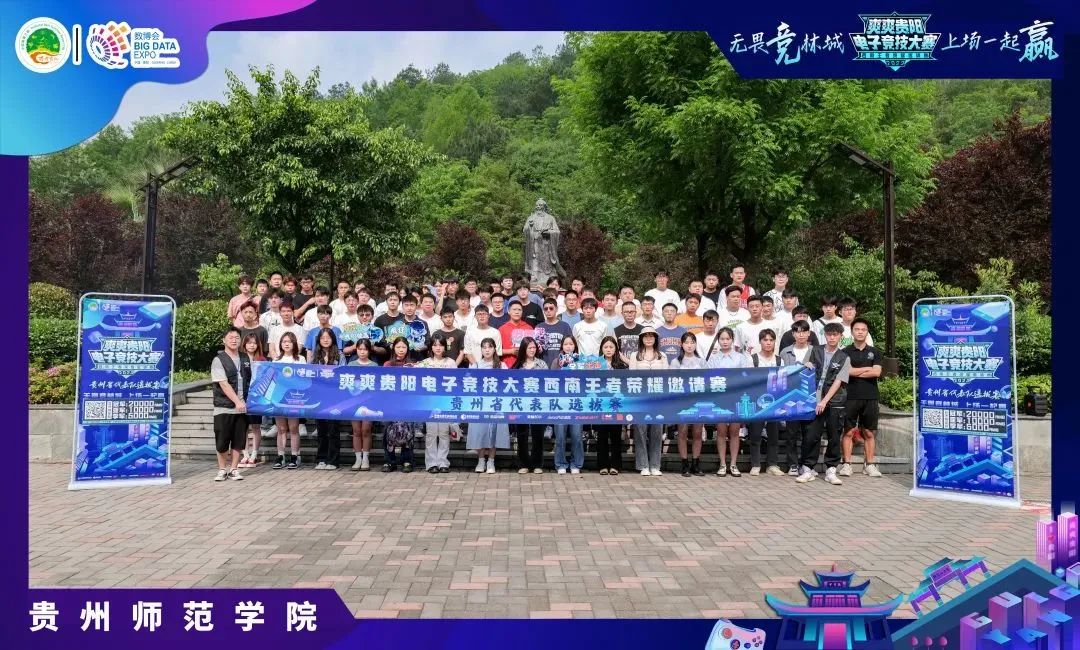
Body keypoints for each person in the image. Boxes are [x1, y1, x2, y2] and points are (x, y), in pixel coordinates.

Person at [796, 322, 850, 486]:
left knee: (834, 435)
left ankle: (831, 469)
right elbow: (805, 369)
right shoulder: (815, 350)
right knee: (811, 435)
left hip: (835, 401)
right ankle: (807, 468)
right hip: (814, 399)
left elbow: (839, 381)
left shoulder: (844, 357)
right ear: (824, 335)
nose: (832, 337)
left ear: (840, 336)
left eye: (835, 334)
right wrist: (806, 365)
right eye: (829, 334)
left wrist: (825, 401)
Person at [840, 318, 883, 478]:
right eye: (857, 329)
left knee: (869, 432)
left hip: (870, 396)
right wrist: (866, 369)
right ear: (852, 332)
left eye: (863, 329)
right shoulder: (844, 352)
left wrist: (855, 371)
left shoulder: (875, 352)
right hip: (850, 396)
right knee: (849, 431)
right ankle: (846, 464)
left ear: (867, 332)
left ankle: (869, 464)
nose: (860, 332)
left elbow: (876, 372)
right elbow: (847, 372)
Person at [706, 327, 749, 477]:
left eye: (727, 339)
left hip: (736, 397)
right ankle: (723, 464)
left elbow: (746, 377)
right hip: (720, 399)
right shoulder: (713, 359)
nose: (725, 342)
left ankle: (734, 464)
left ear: (732, 340)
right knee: (721, 431)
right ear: (718, 340)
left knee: (735, 432)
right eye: (722, 339)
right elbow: (709, 379)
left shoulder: (740, 358)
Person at [210, 327, 250, 482]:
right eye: (231, 337)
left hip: (242, 407)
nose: (234, 340)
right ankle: (222, 469)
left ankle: (234, 469)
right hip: (224, 407)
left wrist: (246, 402)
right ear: (224, 340)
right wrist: (237, 401)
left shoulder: (245, 358)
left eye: (237, 338)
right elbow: (223, 384)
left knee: (238, 440)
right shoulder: (218, 360)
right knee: (222, 441)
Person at [467, 338, 510, 474]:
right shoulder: (476, 366)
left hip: (496, 404)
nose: (487, 350)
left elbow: (507, 384)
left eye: (490, 347)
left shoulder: (502, 366)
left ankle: (491, 460)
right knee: (479, 431)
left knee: (494, 432)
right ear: (480, 349)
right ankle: (481, 460)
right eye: (484, 347)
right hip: (480, 404)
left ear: (494, 349)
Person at [630, 327, 668, 475]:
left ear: (656, 339)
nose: (649, 338)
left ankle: (655, 465)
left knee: (657, 431)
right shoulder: (635, 355)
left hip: (658, 398)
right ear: (641, 339)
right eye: (645, 336)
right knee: (640, 431)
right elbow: (631, 378)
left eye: (651, 336)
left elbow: (666, 377)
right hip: (641, 398)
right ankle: (643, 465)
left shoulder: (662, 356)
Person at [417, 337, 457, 473]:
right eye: (435, 345)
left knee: (444, 433)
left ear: (445, 347)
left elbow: (456, 382)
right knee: (431, 433)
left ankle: (443, 463)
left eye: (441, 345)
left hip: (445, 401)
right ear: (431, 347)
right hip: (430, 402)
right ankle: (431, 463)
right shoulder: (425, 363)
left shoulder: (451, 363)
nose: (438, 348)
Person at [780, 319, 815, 476]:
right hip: (791, 398)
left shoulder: (816, 351)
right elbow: (781, 373)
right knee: (791, 434)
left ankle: (807, 464)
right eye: (797, 332)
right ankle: (793, 464)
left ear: (809, 333)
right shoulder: (785, 352)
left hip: (810, 397)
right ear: (793, 334)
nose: (801, 335)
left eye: (804, 332)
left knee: (809, 434)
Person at [748, 329, 785, 476]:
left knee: (773, 434)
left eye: (771, 340)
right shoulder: (753, 359)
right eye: (765, 340)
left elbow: (782, 380)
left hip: (774, 401)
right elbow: (749, 380)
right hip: (757, 401)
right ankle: (755, 464)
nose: (768, 343)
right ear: (760, 342)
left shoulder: (779, 360)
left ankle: (772, 464)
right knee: (755, 434)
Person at [382, 337, 420, 473]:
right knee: (388, 432)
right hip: (390, 403)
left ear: (408, 349)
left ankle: (407, 461)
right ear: (393, 348)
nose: (401, 350)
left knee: (408, 431)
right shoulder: (387, 364)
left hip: (408, 403)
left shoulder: (413, 365)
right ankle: (389, 461)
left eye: (404, 347)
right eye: (398, 347)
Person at [670, 332, 706, 477]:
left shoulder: (701, 362)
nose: (689, 345)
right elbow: (671, 382)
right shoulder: (676, 362)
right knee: (682, 432)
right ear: (681, 344)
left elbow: (707, 381)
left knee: (697, 432)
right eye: (686, 342)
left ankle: (696, 463)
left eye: (692, 342)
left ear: (696, 344)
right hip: (682, 401)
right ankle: (684, 463)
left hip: (698, 400)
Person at [512, 337, 548, 473]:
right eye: (529, 348)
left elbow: (548, 382)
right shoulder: (517, 366)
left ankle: (537, 464)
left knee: (538, 434)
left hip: (538, 403)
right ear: (524, 349)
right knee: (522, 434)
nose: (532, 350)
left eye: (534, 347)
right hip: (521, 404)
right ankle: (523, 464)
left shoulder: (542, 364)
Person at [549, 336, 584, 474]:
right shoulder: (556, 362)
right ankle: (560, 464)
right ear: (562, 347)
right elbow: (550, 381)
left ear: (575, 346)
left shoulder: (581, 361)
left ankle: (576, 464)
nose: (568, 346)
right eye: (565, 344)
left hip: (576, 403)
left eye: (571, 344)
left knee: (577, 435)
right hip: (560, 403)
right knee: (560, 436)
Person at [311, 328, 345, 470]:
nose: (325, 340)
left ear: (333, 339)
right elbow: (312, 375)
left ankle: (333, 460)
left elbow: (343, 374)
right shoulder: (315, 355)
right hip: (319, 397)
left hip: (334, 397)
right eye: (323, 337)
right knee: (321, 430)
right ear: (319, 340)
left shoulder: (339, 355)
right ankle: (321, 459)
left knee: (333, 430)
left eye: (328, 337)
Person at [271, 332, 304, 469]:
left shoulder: (300, 359)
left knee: (294, 427)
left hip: (294, 397)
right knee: (281, 428)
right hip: (278, 397)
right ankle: (280, 456)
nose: (286, 344)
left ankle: (295, 456)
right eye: (284, 341)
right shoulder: (276, 360)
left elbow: (303, 378)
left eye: (289, 341)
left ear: (294, 343)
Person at [596, 336, 627, 475]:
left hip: (617, 405)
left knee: (616, 435)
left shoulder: (622, 366)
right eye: (606, 347)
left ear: (616, 349)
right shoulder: (595, 365)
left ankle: (615, 465)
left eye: (611, 347)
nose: (608, 350)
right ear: (601, 349)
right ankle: (602, 465)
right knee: (602, 435)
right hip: (601, 404)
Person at [237, 333, 266, 469]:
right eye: (249, 343)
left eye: (254, 343)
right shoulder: (239, 359)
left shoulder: (262, 359)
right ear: (244, 344)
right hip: (241, 396)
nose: (252, 345)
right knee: (242, 426)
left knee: (255, 426)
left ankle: (254, 454)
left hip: (256, 397)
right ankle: (245, 454)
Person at [349, 340, 378, 471]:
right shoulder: (351, 364)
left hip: (369, 402)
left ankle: (366, 458)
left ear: (369, 351)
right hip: (353, 402)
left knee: (366, 430)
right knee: (356, 431)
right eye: (360, 349)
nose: (362, 352)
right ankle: (358, 458)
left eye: (365, 349)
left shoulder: (374, 365)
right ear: (356, 350)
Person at [498, 301, 535, 367]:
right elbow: (496, 350)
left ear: (522, 312)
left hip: (526, 366)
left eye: (519, 310)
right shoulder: (502, 329)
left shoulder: (529, 328)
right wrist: (511, 351)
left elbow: (533, 348)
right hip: (507, 366)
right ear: (509, 311)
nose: (517, 312)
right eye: (514, 309)